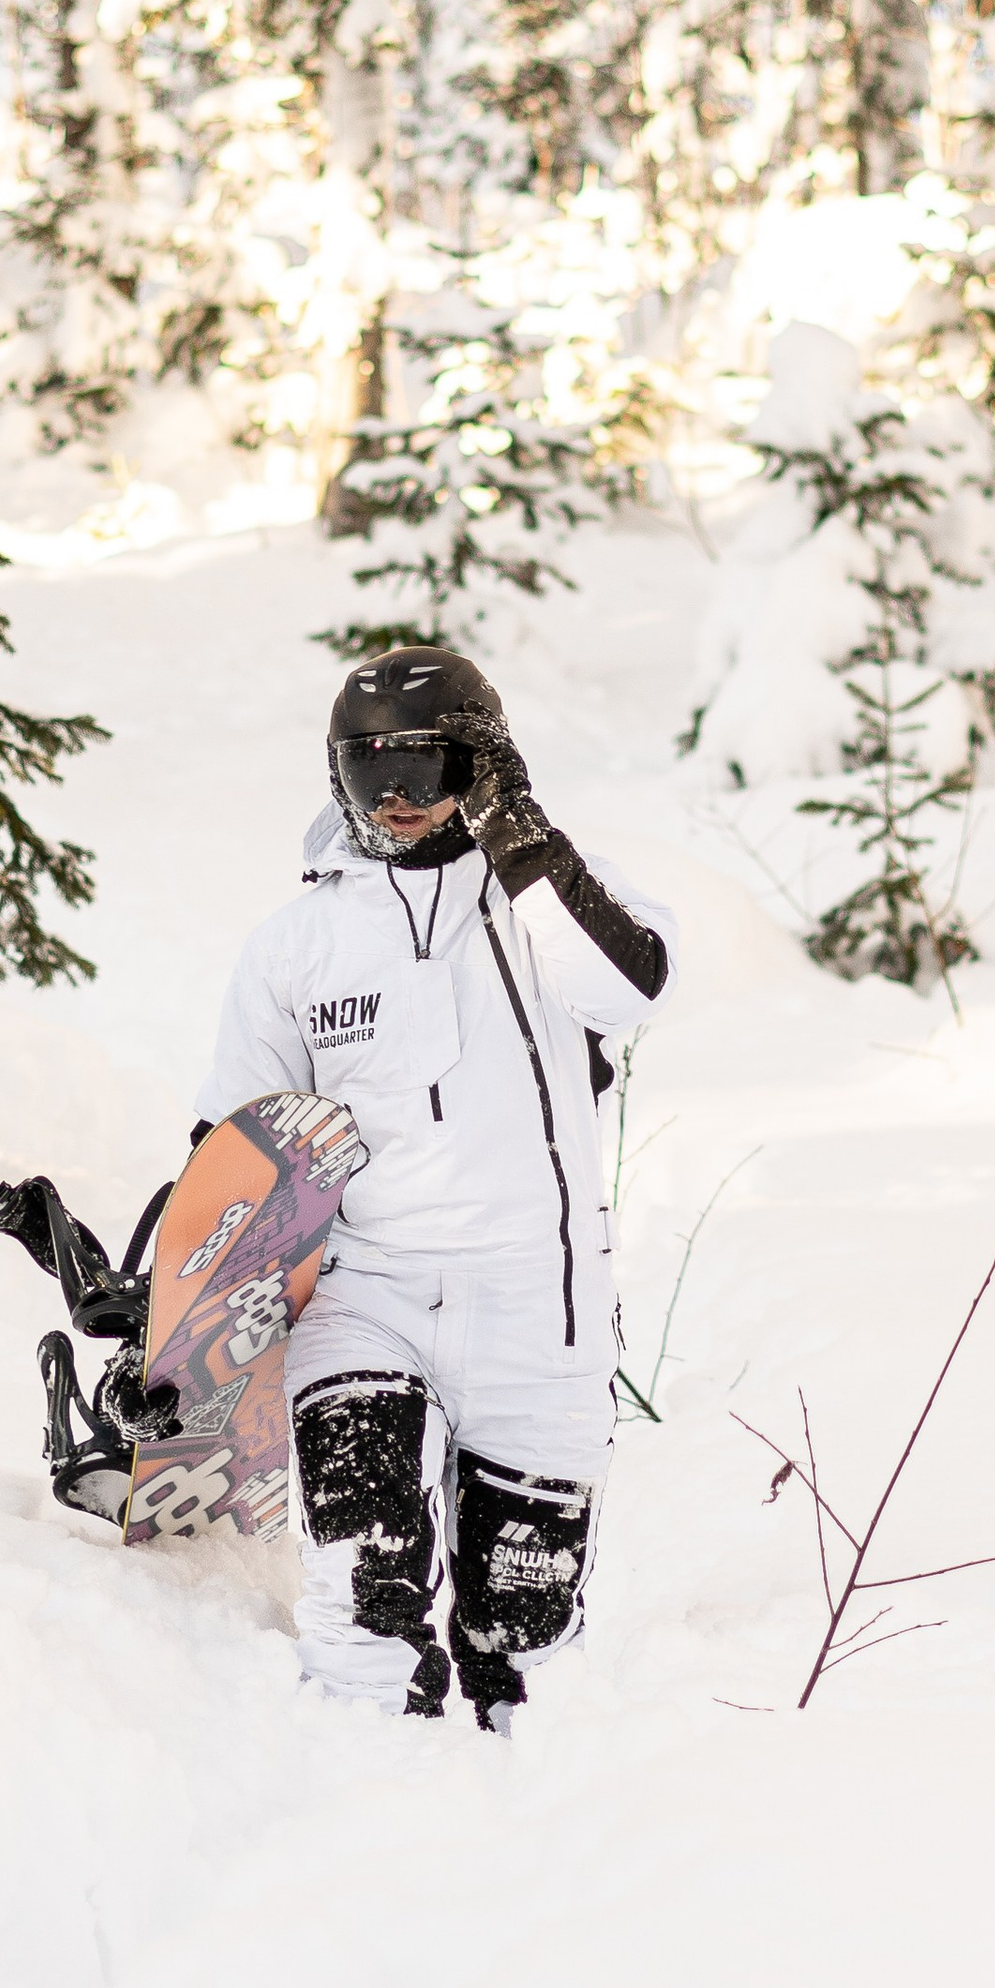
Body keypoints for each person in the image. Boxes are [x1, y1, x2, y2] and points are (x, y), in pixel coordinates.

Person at [194, 644, 677, 1727]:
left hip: (540, 1311)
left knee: (525, 1643)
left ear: (481, 761)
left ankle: (518, 1806)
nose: (394, 797)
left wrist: (520, 836)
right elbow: (238, 1143)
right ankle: (362, 1787)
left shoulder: (551, 900)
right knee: (363, 1600)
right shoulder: (297, 945)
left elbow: (630, 985)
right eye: (366, 769)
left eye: (422, 765)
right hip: (366, 1298)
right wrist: (166, 1304)